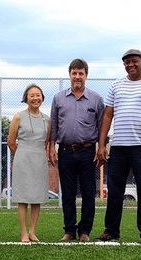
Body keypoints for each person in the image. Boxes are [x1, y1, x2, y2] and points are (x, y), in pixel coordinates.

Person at [96, 49, 141, 244]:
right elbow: (107, 115)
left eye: (134, 61)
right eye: (127, 62)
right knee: (114, 190)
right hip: (119, 146)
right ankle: (111, 231)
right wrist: (102, 144)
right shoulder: (116, 85)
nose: (130, 65)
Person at [48, 59, 104, 242]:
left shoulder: (97, 99)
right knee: (68, 193)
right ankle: (70, 231)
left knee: (89, 193)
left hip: (88, 152)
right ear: (69, 75)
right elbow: (54, 125)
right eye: (74, 73)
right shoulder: (58, 98)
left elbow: (102, 126)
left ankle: (85, 231)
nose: (77, 76)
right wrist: (51, 147)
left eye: (81, 73)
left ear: (86, 75)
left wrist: (101, 148)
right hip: (65, 151)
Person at [7, 84, 50, 242]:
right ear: (26, 98)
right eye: (31, 95)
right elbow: (11, 142)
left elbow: (47, 141)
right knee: (23, 196)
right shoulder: (18, 116)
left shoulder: (48, 119)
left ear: (42, 98)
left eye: (38, 95)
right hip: (22, 158)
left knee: (37, 196)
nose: (35, 98)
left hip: (40, 158)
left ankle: (32, 231)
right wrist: (21, 155)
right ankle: (23, 232)